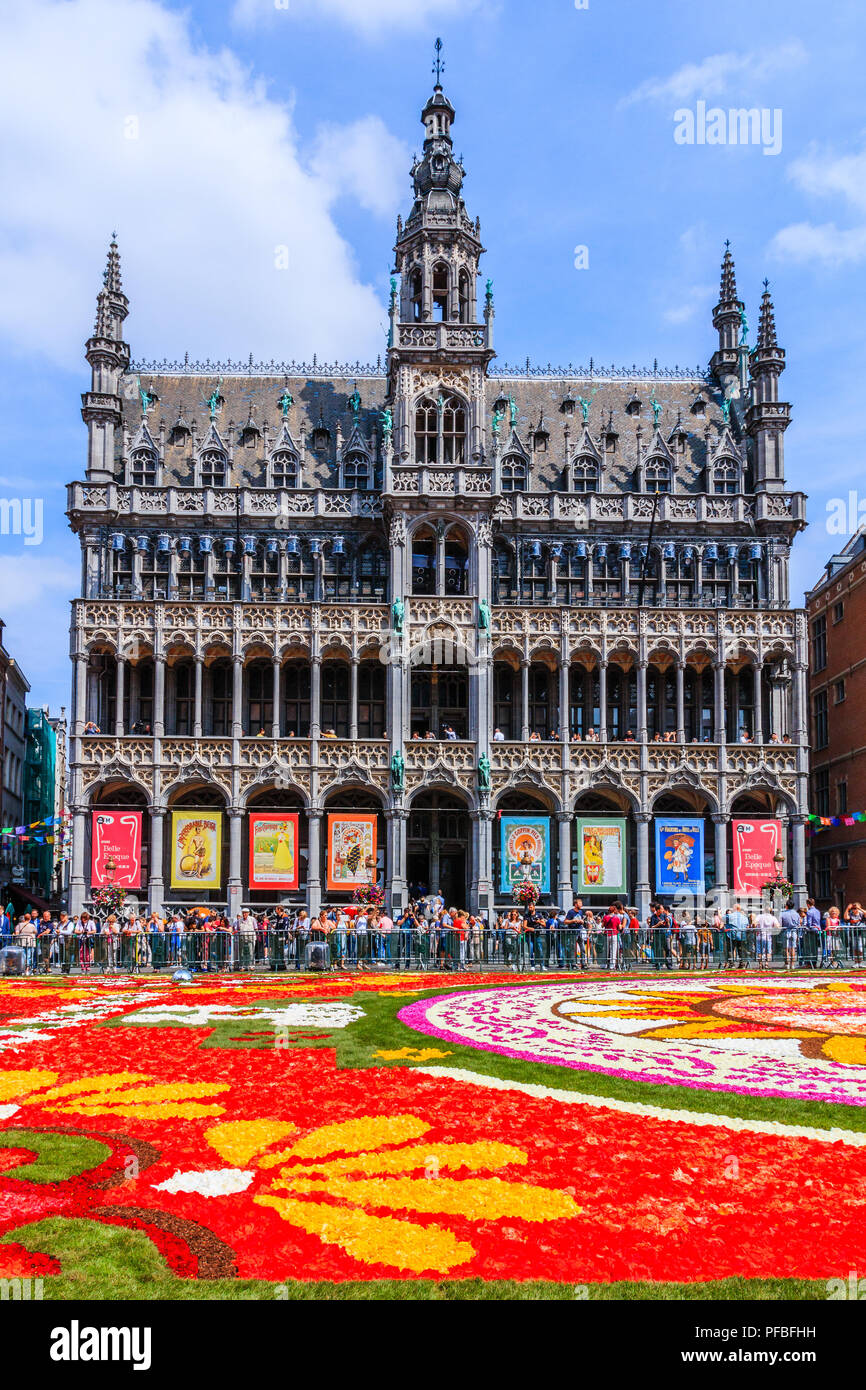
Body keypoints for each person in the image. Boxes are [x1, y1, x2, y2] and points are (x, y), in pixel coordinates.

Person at [724, 900, 750, 969]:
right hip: (742, 935)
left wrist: (719, 912)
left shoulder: (730, 916)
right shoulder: (744, 917)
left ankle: (732, 964)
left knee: (730, 949)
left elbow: (722, 919)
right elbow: (747, 926)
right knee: (740, 949)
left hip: (732, 935)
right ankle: (742, 963)